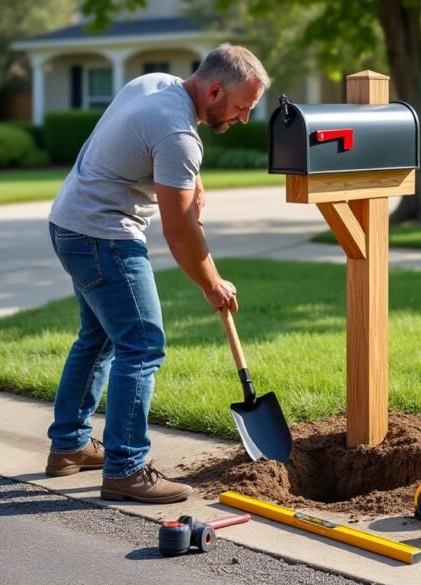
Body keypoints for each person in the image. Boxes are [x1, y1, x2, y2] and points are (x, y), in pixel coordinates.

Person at [43, 44, 270, 504]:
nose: (245, 118)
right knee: (142, 344)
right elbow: (181, 233)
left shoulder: (155, 86)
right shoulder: (178, 136)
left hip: (69, 223)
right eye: (243, 107)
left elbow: (137, 145)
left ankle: (69, 445)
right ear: (213, 90)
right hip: (103, 236)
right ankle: (125, 468)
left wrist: (193, 180)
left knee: (98, 337)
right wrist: (213, 284)